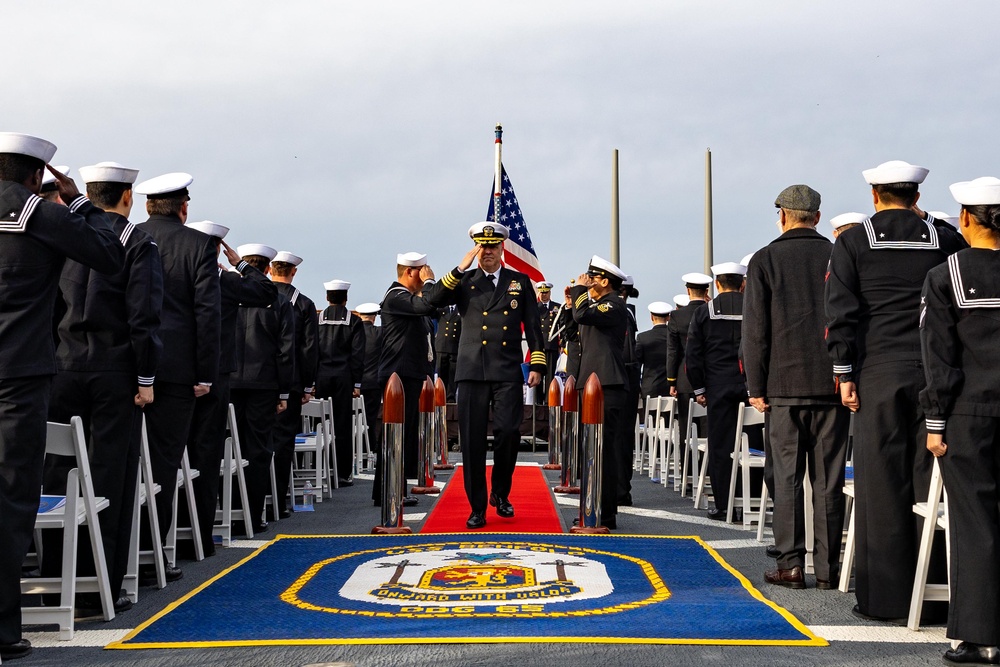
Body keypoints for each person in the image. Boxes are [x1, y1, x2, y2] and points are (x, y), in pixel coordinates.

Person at [0, 132, 124, 662]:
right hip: (17, 377)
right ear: (37, 175)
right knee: (9, 498)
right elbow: (109, 252)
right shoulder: (37, 213)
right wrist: (75, 200)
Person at [825, 159, 966, 622]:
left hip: (877, 372)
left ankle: (885, 599)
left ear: (875, 195)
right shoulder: (946, 240)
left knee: (880, 484)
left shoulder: (851, 242)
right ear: (916, 196)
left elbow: (842, 312)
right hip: (936, 371)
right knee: (934, 486)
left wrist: (844, 373)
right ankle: (939, 594)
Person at [44, 161, 162, 616]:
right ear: (127, 197)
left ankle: (55, 580)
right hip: (116, 373)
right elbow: (144, 318)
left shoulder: (65, 235)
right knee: (110, 477)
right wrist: (147, 380)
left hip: (63, 366)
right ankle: (101, 588)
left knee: (56, 477)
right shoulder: (137, 242)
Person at [743, 185, 851, 590]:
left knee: (786, 477)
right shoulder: (838, 255)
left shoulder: (766, 258)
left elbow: (755, 331)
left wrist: (756, 384)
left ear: (783, 216)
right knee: (828, 480)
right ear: (818, 217)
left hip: (783, 385)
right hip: (831, 382)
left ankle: (790, 565)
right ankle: (829, 568)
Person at [920, 176, 1000, 666]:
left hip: (969, 414)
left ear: (966, 219)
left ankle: (980, 635)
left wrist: (934, 420)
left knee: (974, 524)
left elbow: (939, 357)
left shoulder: (946, 274)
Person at [422, 223, 546, 530]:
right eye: (482, 246)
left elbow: (533, 326)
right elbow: (432, 300)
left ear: (502, 248)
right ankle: (477, 506)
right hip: (472, 369)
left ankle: (500, 494)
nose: (487, 252)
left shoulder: (518, 281)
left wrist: (538, 366)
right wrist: (459, 267)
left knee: (508, 433)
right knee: (473, 442)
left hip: (506, 369)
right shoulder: (464, 281)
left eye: (492, 246)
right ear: (476, 249)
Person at [135, 171, 220, 581]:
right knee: (164, 462)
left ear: (146, 205)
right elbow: (206, 312)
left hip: (130, 364)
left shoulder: (127, 237)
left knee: (120, 462)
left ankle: (119, 554)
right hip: (177, 370)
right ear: (183, 207)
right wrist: (205, 371)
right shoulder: (198, 244)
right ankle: (153, 556)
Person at [184, 222, 275, 550]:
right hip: (215, 373)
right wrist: (240, 264)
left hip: (171, 374)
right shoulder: (222, 279)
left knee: (169, 456)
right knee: (205, 454)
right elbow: (267, 292)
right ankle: (199, 537)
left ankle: (169, 531)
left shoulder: (168, 269)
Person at [230, 243, 293, 532]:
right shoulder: (279, 301)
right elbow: (285, 349)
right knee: (257, 450)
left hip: (228, 381)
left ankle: (226, 509)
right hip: (263, 383)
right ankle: (253, 515)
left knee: (227, 448)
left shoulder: (228, 291)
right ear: (268, 269)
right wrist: (283, 392)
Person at [567, 255, 629, 529]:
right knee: (590, 448)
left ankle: (605, 513)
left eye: (592, 278)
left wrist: (580, 294)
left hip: (607, 384)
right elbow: (573, 327)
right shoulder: (597, 306)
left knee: (604, 451)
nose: (587, 281)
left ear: (605, 282)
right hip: (592, 384)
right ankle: (594, 508)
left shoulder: (615, 306)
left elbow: (583, 315)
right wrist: (572, 302)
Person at [374, 251, 437, 506]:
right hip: (397, 375)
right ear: (410, 272)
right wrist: (431, 283)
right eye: (421, 271)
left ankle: (393, 488)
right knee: (395, 434)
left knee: (402, 434)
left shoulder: (408, 298)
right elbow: (426, 306)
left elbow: (433, 312)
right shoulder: (397, 296)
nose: (424, 275)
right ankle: (388, 490)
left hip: (407, 374)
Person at [685, 262, 747, 522]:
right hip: (749, 386)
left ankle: (725, 505)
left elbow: (693, 355)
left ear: (717, 284)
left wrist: (699, 388)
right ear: (742, 283)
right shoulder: (753, 308)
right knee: (753, 447)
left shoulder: (704, 312)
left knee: (721, 447)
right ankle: (752, 499)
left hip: (717, 387)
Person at [270, 250, 319, 518]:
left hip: (256, 383)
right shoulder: (304, 304)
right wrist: (308, 385)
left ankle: (250, 500)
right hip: (291, 382)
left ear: (270, 270)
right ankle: (277, 499)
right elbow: (309, 348)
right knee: (282, 441)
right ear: (294, 271)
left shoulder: (257, 297)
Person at [315, 279, 366, 485]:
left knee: (318, 425)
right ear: (346, 299)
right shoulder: (354, 322)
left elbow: (311, 350)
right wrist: (357, 384)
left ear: (327, 298)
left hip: (320, 377)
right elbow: (357, 354)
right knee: (343, 426)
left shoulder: (317, 319)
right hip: (344, 378)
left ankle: (318, 469)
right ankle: (343, 472)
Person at [665, 272, 712, 490]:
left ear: (687, 291)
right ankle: (709, 470)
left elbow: (673, 351)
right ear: (707, 292)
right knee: (709, 427)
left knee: (686, 428)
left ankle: (688, 474)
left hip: (685, 378)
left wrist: (672, 380)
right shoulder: (712, 310)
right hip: (711, 376)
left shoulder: (677, 317)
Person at [356, 302, 383, 467]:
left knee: (353, 420)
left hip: (355, 384)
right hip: (373, 383)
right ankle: (369, 452)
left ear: (360, 316)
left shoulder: (354, 332)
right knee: (370, 420)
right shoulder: (379, 333)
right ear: (374, 317)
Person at [636, 301, 673, 401]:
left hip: (650, 388)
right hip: (672, 388)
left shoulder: (642, 338)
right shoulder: (674, 337)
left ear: (651, 317)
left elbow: (637, 365)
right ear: (668, 317)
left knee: (649, 416)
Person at [536, 281, 561, 401]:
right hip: (538, 347)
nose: (543, 295)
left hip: (552, 345)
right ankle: (538, 401)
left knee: (551, 375)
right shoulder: (535, 308)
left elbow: (562, 326)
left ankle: (549, 400)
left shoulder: (557, 307)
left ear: (549, 292)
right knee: (538, 374)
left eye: (545, 292)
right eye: (541, 293)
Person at [434, 304, 461, 402]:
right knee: (442, 373)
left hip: (454, 347)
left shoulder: (460, 309)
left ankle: (450, 398)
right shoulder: (441, 308)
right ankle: (441, 395)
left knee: (452, 374)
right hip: (441, 346)